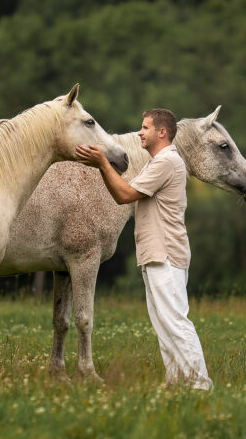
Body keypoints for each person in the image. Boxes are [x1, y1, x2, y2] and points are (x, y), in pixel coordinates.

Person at [75, 108, 213, 391]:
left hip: (166, 253)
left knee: (174, 321)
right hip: (155, 253)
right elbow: (122, 193)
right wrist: (102, 165)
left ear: (161, 132)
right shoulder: (156, 163)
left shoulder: (167, 162)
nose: (140, 132)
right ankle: (176, 382)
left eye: (145, 127)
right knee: (163, 322)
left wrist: (102, 163)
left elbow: (125, 194)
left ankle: (200, 384)